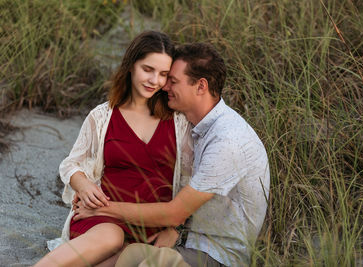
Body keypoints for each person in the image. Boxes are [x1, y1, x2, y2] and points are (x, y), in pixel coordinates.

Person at [73, 43, 270, 267]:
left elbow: (175, 212)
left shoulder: (226, 141)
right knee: (124, 258)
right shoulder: (198, 128)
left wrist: (102, 208)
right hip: (190, 240)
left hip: (217, 255)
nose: (164, 86)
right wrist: (177, 230)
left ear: (200, 86)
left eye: (173, 80)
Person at [34, 31, 193, 266]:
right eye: (147, 70)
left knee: (122, 259)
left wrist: (175, 229)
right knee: (112, 237)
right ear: (130, 66)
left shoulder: (178, 121)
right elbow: (71, 164)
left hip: (152, 226)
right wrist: (84, 184)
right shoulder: (102, 116)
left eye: (163, 74)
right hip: (101, 217)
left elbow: (192, 182)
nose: (155, 81)